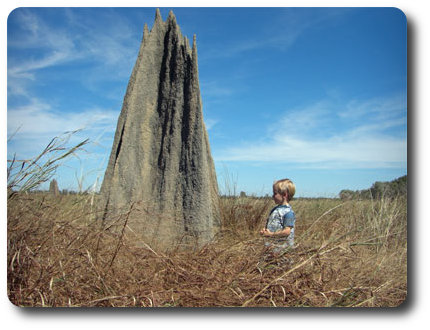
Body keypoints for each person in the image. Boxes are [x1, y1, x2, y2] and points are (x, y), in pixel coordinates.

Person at [260, 178, 296, 254]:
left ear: (284, 194)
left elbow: (287, 232)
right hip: (271, 249)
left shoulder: (288, 213)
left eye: (275, 193)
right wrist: (265, 231)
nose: (273, 196)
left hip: (283, 252)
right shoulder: (274, 210)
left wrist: (270, 235)